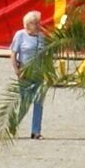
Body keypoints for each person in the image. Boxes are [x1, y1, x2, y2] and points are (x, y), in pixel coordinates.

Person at [10, 9, 51, 138]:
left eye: (38, 22)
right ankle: (12, 127)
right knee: (24, 103)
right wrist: (17, 70)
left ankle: (36, 131)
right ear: (28, 24)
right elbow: (13, 53)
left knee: (39, 102)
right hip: (25, 72)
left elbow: (46, 54)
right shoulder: (20, 35)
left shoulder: (41, 37)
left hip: (39, 73)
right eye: (35, 23)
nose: (38, 25)